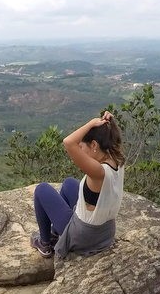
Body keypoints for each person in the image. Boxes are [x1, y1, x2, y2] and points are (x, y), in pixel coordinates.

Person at [30, 110, 125, 260]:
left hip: (84, 237)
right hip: (105, 232)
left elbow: (68, 143)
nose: (80, 149)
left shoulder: (98, 172)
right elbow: (114, 139)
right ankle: (56, 233)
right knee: (69, 183)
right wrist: (109, 123)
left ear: (94, 145)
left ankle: (45, 243)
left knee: (42, 189)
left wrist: (91, 123)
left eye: (82, 146)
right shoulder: (117, 158)